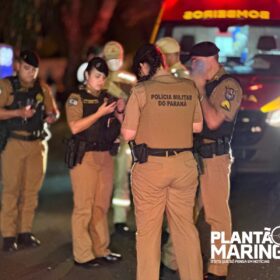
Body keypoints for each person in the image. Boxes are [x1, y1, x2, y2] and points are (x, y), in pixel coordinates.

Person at [121, 43, 203, 280]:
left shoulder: (141, 90)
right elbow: (197, 126)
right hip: (184, 164)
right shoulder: (188, 87)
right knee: (185, 229)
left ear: (143, 65)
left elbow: (127, 134)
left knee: (148, 234)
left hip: (151, 168)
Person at [65, 57, 124, 269]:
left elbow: (118, 124)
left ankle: (101, 249)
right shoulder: (76, 98)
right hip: (85, 157)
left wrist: (119, 113)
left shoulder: (108, 98)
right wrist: (100, 113)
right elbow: (74, 127)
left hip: (104, 156)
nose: (100, 81)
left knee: (101, 206)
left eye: (103, 77)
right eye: (97, 76)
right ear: (87, 75)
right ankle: (82, 254)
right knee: (84, 207)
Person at [0, 50, 59, 252]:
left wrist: (52, 116)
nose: (30, 73)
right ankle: (8, 236)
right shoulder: (7, 86)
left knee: (31, 191)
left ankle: (25, 232)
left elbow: (53, 111)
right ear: (17, 66)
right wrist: (18, 112)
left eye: (34, 69)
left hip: (37, 144)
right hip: (14, 143)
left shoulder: (41, 88)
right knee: (11, 190)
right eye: (26, 68)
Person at [103, 41, 136, 234]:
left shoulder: (130, 81)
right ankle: (100, 217)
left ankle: (119, 218)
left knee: (122, 179)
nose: (114, 62)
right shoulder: (98, 79)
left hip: (123, 138)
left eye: (116, 58)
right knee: (102, 180)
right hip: (103, 139)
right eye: (110, 59)